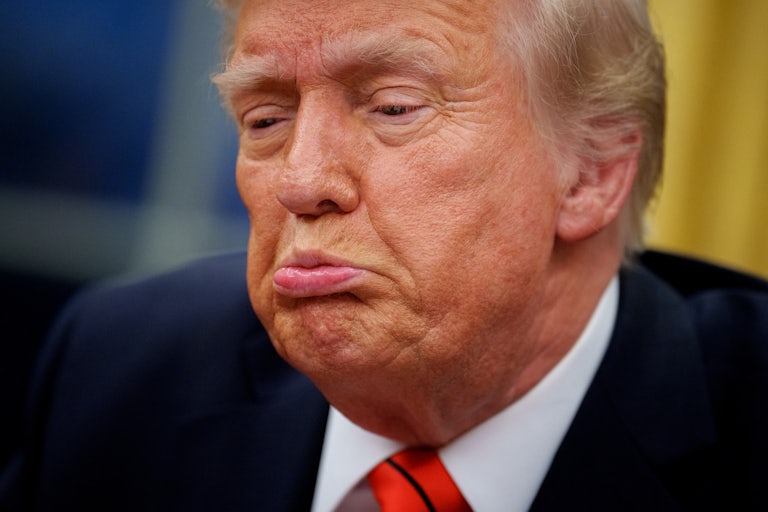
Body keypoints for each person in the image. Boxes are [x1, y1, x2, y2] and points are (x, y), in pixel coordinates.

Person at [1, 0, 766, 510]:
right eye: (265, 117)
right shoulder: (119, 370)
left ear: (592, 173)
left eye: (394, 108)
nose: (301, 182)